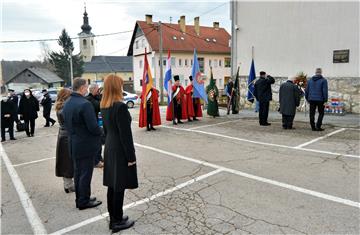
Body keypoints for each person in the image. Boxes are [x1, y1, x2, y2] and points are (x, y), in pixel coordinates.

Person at [100, 74, 137, 232]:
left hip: (110, 147)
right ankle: (116, 222)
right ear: (116, 87)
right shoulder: (120, 106)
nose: (122, 88)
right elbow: (125, 135)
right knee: (119, 185)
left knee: (112, 185)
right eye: (121, 85)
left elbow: (107, 130)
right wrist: (131, 157)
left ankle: (115, 216)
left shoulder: (105, 105)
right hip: (120, 149)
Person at [62, 78, 102, 210]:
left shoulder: (67, 102)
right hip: (85, 145)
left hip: (73, 143)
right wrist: (104, 132)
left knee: (78, 173)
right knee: (85, 174)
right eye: (86, 87)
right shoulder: (85, 104)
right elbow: (93, 127)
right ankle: (83, 201)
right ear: (81, 88)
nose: (87, 89)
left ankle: (81, 198)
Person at [54, 88, 74, 193]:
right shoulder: (64, 108)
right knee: (68, 162)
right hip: (67, 136)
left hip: (62, 135)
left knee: (65, 161)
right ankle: (68, 185)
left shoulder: (60, 106)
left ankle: (68, 184)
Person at [86, 84, 104, 168]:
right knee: (95, 143)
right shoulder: (89, 99)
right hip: (92, 124)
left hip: (97, 122)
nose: (98, 92)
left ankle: (99, 158)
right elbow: (99, 106)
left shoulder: (95, 97)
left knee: (99, 142)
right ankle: (95, 161)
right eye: (97, 90)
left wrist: (99, 95)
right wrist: (99, 97)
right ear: (92, 90)